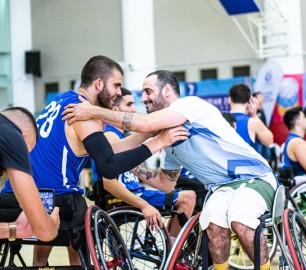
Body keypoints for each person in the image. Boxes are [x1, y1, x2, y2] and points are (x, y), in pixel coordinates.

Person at [63, 70, 277, 270]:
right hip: (222, 188)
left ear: (166, 90)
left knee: (239, 217)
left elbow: (145, 125)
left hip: (255, 177)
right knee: (213, 226)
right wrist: (123, 162)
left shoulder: (190, 105)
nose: (143, 98)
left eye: (148, 91)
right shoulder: (170, 142)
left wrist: (92, 111)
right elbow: (165, 183)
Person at [2, 57, 189, 266]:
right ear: (99, 84)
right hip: (55, 199)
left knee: (64, 201)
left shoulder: (60, 99)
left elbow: (108, 151)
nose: (119, 92)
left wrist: (149, 134)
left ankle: (39, 263)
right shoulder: (83, 112)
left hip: (11, 198)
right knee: (78, 205)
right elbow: (108, 164)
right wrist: (159, 142)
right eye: (116, 85)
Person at [98, 87, 195, 244]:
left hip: (135, 193)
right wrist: (144, 205)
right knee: (188, 198)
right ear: (115, 110)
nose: (134, 109)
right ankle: (172, 253)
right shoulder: (109, 135)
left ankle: (170, 248)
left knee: (183, 194)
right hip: (123, 199)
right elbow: (109, 183)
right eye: (129, 104)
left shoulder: (122, 137)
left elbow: (141, 172)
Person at [0, 107, 59, 241]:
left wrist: (12, 230)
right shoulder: (13, 136)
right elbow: (44, 231)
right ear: (23, 137)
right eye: (26, 152)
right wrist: (52, 224)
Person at [229, 83, 273, 149]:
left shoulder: (219, 119)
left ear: (229, 99)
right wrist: (254, 115)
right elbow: (269, 141)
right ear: (249, 101)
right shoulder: (252, 122)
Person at [281, 106, 306, 177]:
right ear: (298, 122)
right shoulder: (297, 142)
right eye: (304, 117)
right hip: (300, 185)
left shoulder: (292, 140)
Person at [252, 92, 271, 162]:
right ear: (255, 99)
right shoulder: (253, 111)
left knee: (267, 156)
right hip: (257, 139)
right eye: (260, 97)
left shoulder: (262, 110)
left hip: (264, 137)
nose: (262, 99)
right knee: (259, 158)